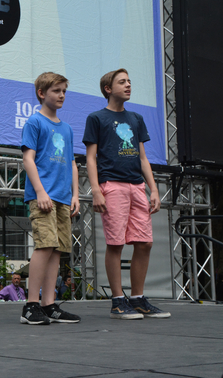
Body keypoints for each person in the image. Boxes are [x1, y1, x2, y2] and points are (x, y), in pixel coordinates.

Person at [83, 68, 171, 319]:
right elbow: (91, 158)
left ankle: (138, 298)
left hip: (136, 186)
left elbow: (142, 157)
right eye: (122, 82)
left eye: (130, 81)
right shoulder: (96, 118)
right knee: (116, 243)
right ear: (108, 89)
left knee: (145, 243)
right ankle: (118, 300)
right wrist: (96, 190)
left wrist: (153, 189)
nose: (128, 85)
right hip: (112, 185)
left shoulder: (136, 119)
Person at [20, 72, 81, 325]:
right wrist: (40, 192)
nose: (62, 95)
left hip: (63, 197)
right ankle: (30, 304)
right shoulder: (34, 122)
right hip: (42, 196)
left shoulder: (66, 128)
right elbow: (28, 159)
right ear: (42, 93)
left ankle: (48, 304)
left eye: (64, 91)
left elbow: (72, 163)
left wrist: (75, 194)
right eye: (56, 90)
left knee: (57, 250)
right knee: (44, 245)